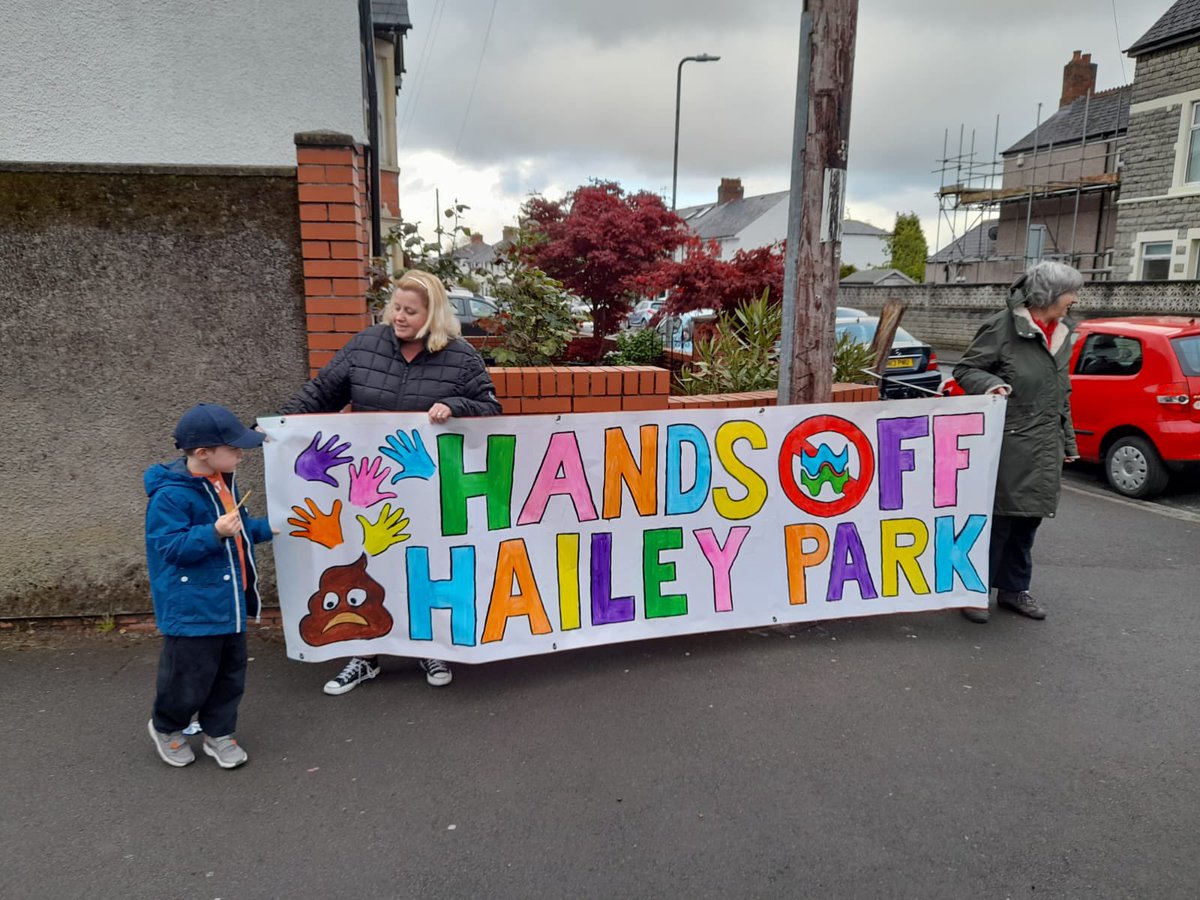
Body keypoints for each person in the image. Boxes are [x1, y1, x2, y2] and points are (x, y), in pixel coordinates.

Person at [280, 269, 502, 695]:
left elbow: (489, 408)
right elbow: (322, 392)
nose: (399, 317)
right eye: (396, 308)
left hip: (429, 488)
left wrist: (452, 405)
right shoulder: (367, 344)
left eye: (410, 311)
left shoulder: (460, 356)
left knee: (421, 562)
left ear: (432, 315)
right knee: (365, 561)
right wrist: (278, 425)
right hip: (369, 484)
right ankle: (364, 656)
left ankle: (430, 646)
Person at [145, 403, 274, 768]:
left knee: (230, 676)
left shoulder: (222, 484)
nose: (240, 455)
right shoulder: (170, 495)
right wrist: (213, 531)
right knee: (186, 679)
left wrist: (269, 528)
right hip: (192, 610)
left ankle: (219, 733)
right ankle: (167, 727)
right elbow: (170, 547)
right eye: (233, 449)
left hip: (228, 604)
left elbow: (240, 533)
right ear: (203, 453)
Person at [953, 260, 1082, 624]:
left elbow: (1061, 393)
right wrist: (992, 385)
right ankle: (975, 593)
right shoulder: (1002, 327)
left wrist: (1068, 443)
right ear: (1051, 294)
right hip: (1008, 443)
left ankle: (1013, 590)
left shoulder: (1062, 333)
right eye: (1070, 292)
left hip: (1044, 445)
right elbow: (966, 369)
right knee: (998, 523)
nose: (1075, 299)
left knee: (1028, 523)